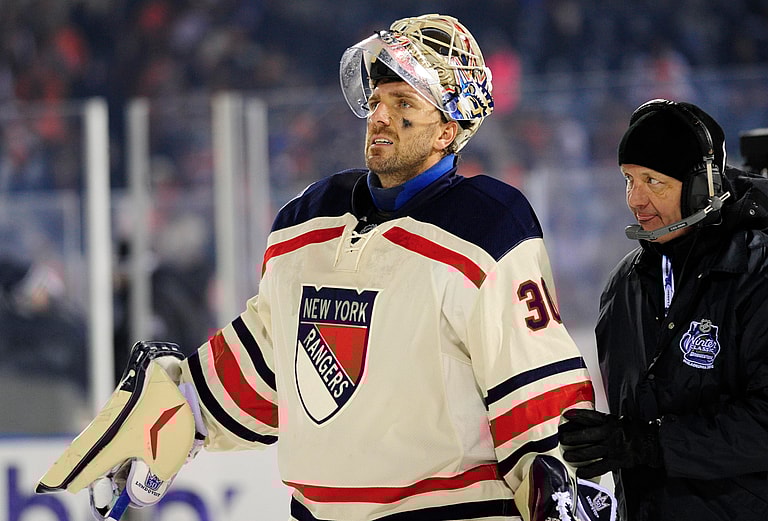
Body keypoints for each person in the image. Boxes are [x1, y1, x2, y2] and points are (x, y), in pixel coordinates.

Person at [37, 14, 613, 521]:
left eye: (404, 104)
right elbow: (271, 359)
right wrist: (180, 411)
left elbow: (535, 394)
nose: (380, 116)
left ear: (448, 129)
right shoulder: (305, 221)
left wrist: (562, 480)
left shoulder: (489, 226)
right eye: (378, 99)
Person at [558, 98, 768, 520]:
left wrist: (649, 444)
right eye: (628, 179)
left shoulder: (758, 272)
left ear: (701, 187)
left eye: (653, 181)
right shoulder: (623, 288)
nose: (635, 199)